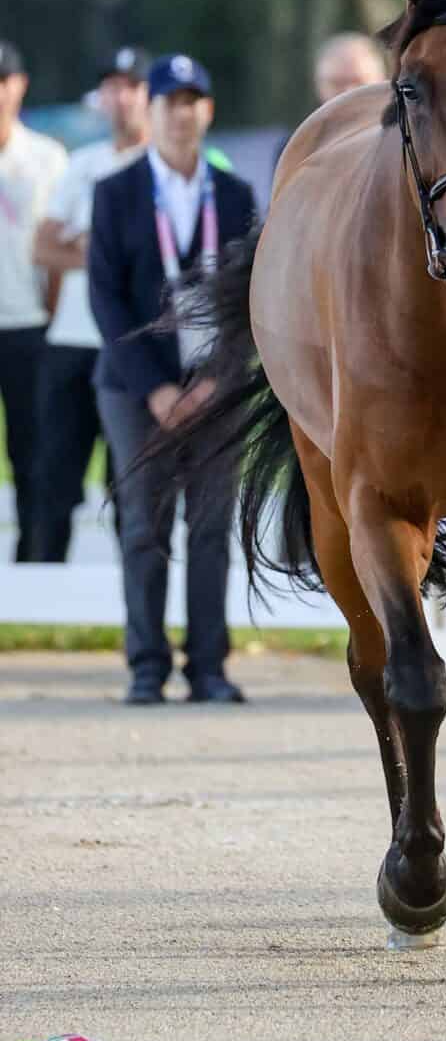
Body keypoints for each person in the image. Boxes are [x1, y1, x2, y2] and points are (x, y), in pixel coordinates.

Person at [90, 54, 257, 706]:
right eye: (170, 102)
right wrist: (158, 388)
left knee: (212, 526)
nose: (182, 113)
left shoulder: (237, 196)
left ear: (207, 111)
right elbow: (105, 299)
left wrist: (218, 381)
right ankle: (146, 665)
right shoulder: (116, 192)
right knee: (144, 524)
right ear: (149, 111)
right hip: (136, 388)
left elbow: (250, 299)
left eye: (193, 101)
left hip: (218, 387)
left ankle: (209, 666)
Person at [30, 48, 152, 560]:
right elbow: (43, 247)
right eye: (111, 87)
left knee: (133, 489)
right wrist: (109, 254)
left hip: (133, 343)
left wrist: (89, 246)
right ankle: (36, 595)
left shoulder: (165, 166)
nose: (119, 98)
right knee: (53, 478)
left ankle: (136, 608)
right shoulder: (82, 164)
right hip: (72, 342)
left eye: (131, 86)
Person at [0, 39, 67, 561]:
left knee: (31, 451)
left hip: (28, 324)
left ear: (19, 85)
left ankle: (31, 564)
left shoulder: (46, 157)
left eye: (4, 81)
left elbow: (59, 245)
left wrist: (50, 314)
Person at [272, 31, 386, 174]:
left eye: (359, 82)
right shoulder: (296, 149)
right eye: (337, 83)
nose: (348, 92)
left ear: (381, 82)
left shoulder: (406, 142)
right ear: (319, 85)